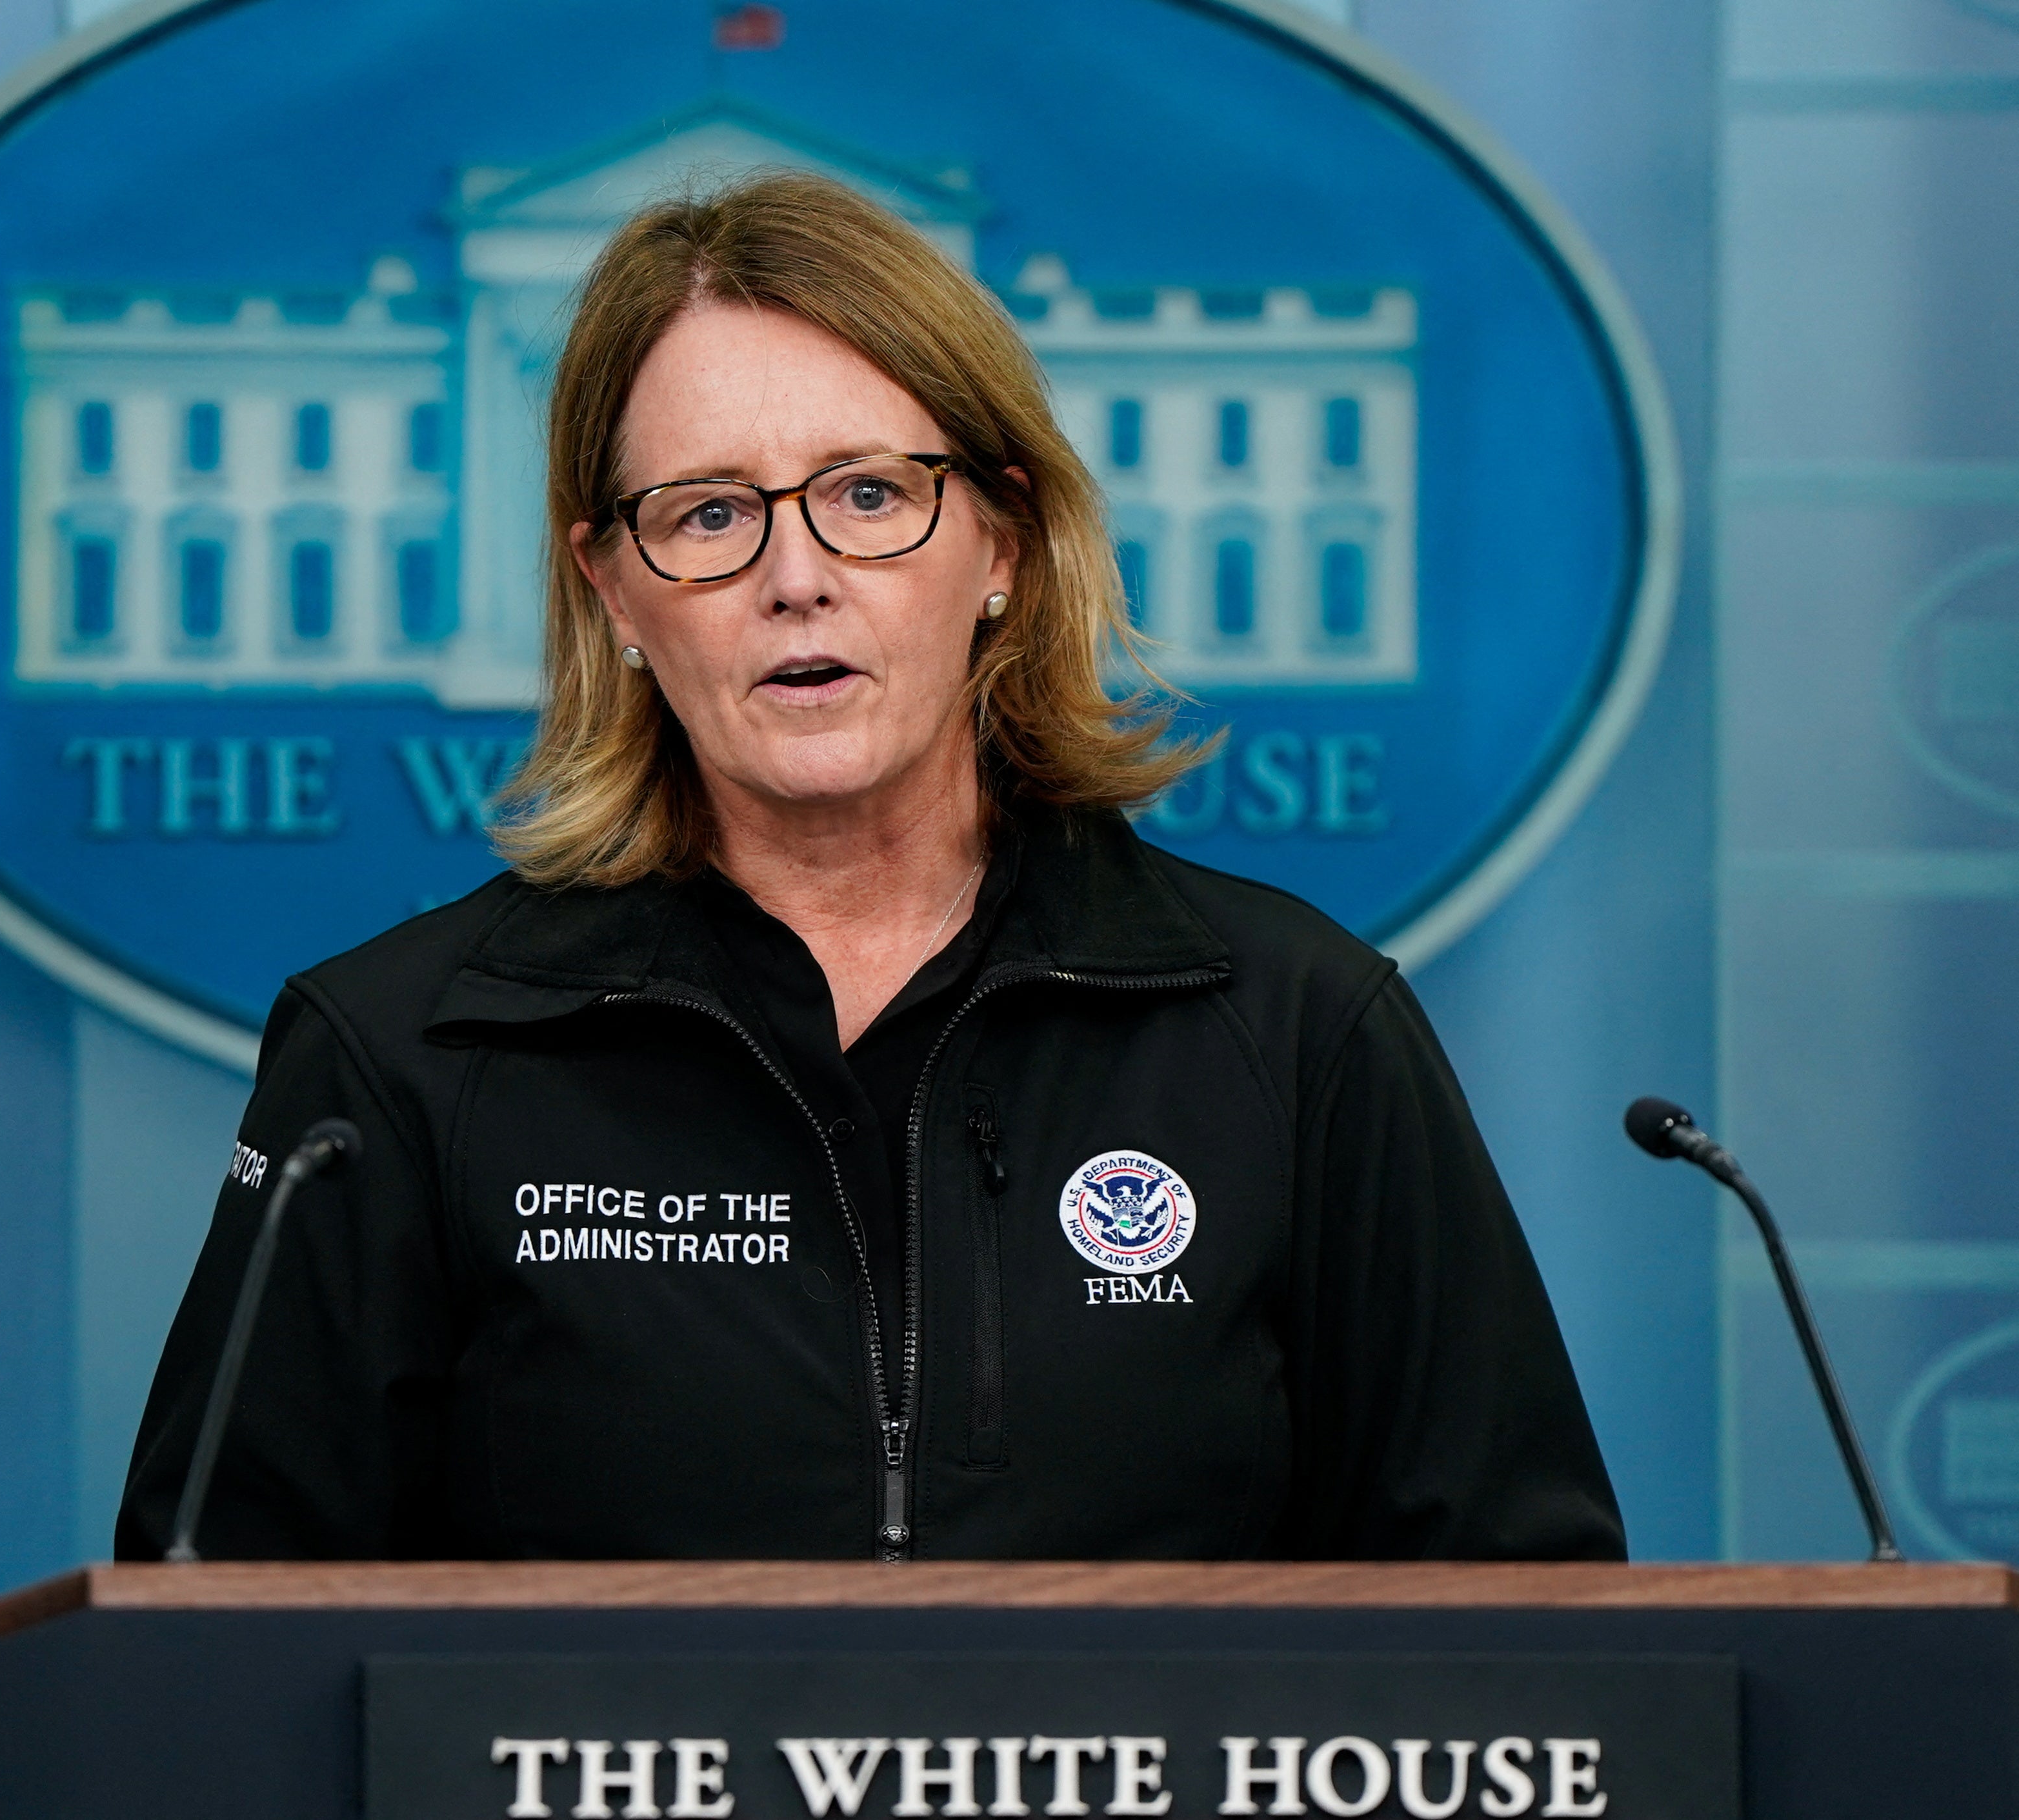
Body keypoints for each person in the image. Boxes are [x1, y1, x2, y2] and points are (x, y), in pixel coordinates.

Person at [117, 172, 1624, 1564]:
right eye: (706, 513)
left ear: (1003, 546)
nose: (793, 575)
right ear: (614, 593)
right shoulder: (398, 1058)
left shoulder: (1298, 1031)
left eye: (868, 492)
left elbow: (1523, 1636)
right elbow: (208, 1683)